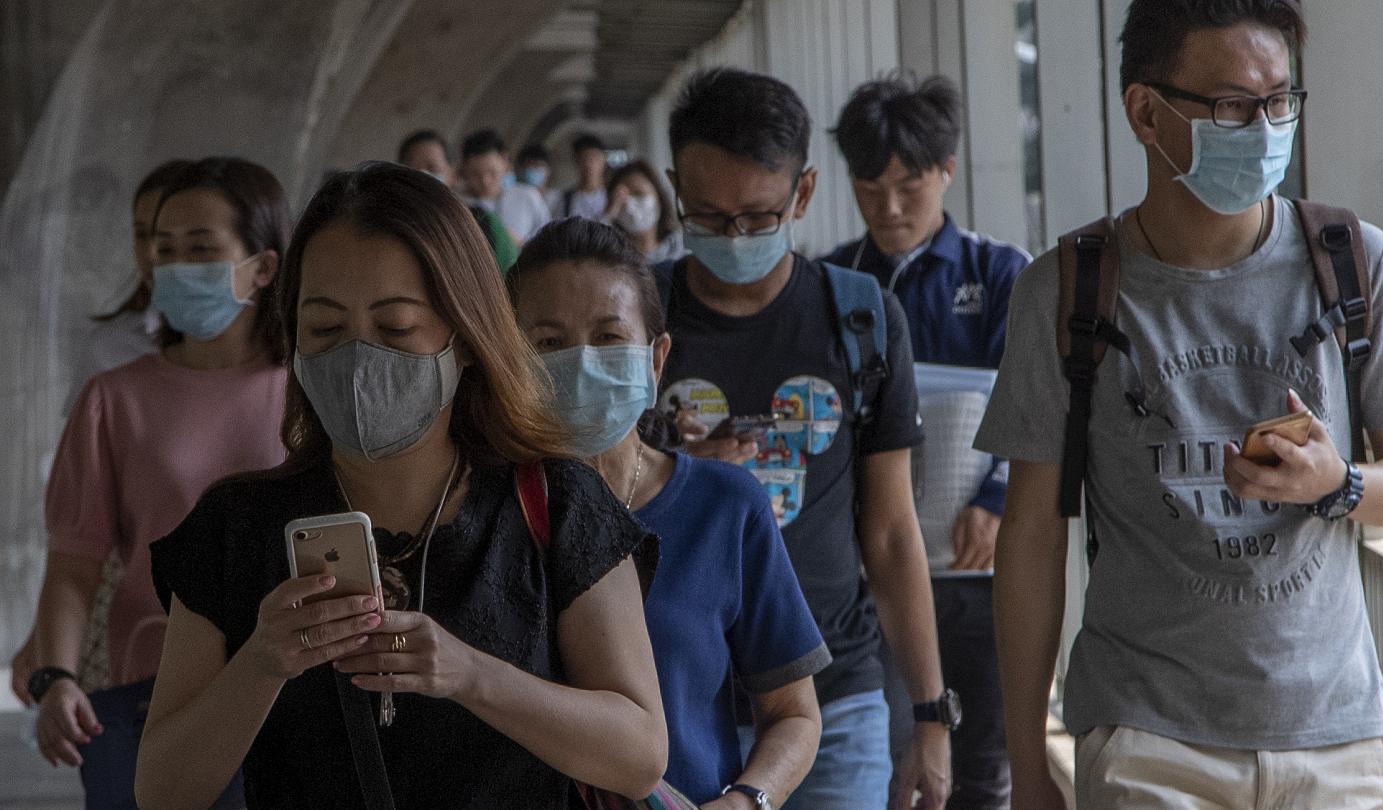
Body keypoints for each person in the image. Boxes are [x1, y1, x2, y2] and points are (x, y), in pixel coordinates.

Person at [975, 2, 1383, 808]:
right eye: (1231, 105)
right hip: (1148, 737)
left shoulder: (1353, 262)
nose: (1263, 128)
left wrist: (1340, 484)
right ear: (1145, 111)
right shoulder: (1069, 290)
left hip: (1335, 738)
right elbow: (1030, 537)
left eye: (1279, 101)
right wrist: (1025, 760)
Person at [136, 162, 667, 809]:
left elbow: (640, 755)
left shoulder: (556, 503)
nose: (358, 360)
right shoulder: (236, 525)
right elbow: (162, 789)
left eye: (395, 329)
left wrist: (471, 675)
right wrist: (262, 662)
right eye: (326, 329)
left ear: (466, 338)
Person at [656, 67, 952, 810]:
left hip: (834, 696)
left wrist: (929, 712)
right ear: (674, 192)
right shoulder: (628, 316)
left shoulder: (860, 319)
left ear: (805, 194)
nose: (733, 237)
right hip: (669, 699)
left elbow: (889, 535)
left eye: (758, 217)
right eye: (709, 216)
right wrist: (667, 471)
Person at [510, 216, 826, 806]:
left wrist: (746, 799)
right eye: (548, 343)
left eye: (608, 337)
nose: (580, 363)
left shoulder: (724, 507)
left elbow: (794, 713)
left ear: (656, 360)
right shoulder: (485, 510)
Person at [29, 156, 291, 807]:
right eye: (163, 249)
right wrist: (55, 676)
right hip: (145, 690)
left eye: (201, 250)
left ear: (264, 265)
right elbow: (74, 561)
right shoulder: (113, 400)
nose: (175, 267)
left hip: (289, 693)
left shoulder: (312, 396)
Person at [825, 72, 1029, 809]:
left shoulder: (1003, 275)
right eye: (869, 186)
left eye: (909, 184)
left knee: (982, 766)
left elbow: (1039, 403)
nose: (889, 206)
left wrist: (1001, 495)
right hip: (867, 575)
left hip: (978, 570)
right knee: (878, 759)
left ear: (947, 170)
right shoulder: (834, 283)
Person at [10, 159, 194, 708]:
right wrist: (46, 647)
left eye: (189, 241)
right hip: (126, 594)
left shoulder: (275, 367)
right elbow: (82, 511)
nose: (156, 253)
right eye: (145, 235)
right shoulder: (110, 353)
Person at [397, 129, 518, 270]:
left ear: (452, 174)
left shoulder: (484, 226)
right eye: (411, 168)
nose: (422, 175)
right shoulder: (383, 226)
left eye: (433, 168)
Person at [458, 128, 553, 243]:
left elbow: (549, 241)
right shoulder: (458, 202)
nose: (485, 181)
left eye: (492, 172)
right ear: (464, 169)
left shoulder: (527, 196)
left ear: (504, 161)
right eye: (475, 174)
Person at [603, 160, 685, 264]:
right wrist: (607, 216)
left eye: (638, 194)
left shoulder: (682, 248)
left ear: (659, 199)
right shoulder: (611, 256)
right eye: (621, 198)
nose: (629, 204)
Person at [557, 133, 610, 220]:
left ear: (604, 160)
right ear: (576, 162)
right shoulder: (566, 200)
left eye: (594, 158)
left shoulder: (611, 196)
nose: (589, 165)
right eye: (583, 159)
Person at [517, 143, 563, 215]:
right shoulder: (516, 197)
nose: (534, 169)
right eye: (530, 165)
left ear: (548, 170)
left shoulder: (558, 199)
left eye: (538, 165)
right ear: (521, 169)